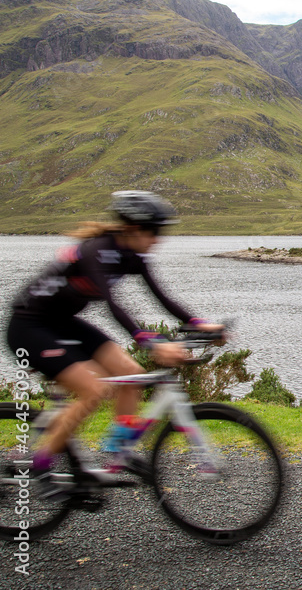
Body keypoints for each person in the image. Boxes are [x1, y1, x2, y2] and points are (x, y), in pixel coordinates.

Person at [5, 191, 222, 498]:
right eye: (155, 231)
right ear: (134, 228)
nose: (159, 239)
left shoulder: (133, 257)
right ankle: (39, 467)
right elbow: (112, 304)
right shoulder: (96, 250)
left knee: (130, 373)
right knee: (93, 390)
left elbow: (161, 297)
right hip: (30, 326)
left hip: (61, 322)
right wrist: (149, 341)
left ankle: (120, 449)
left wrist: (201, 324)